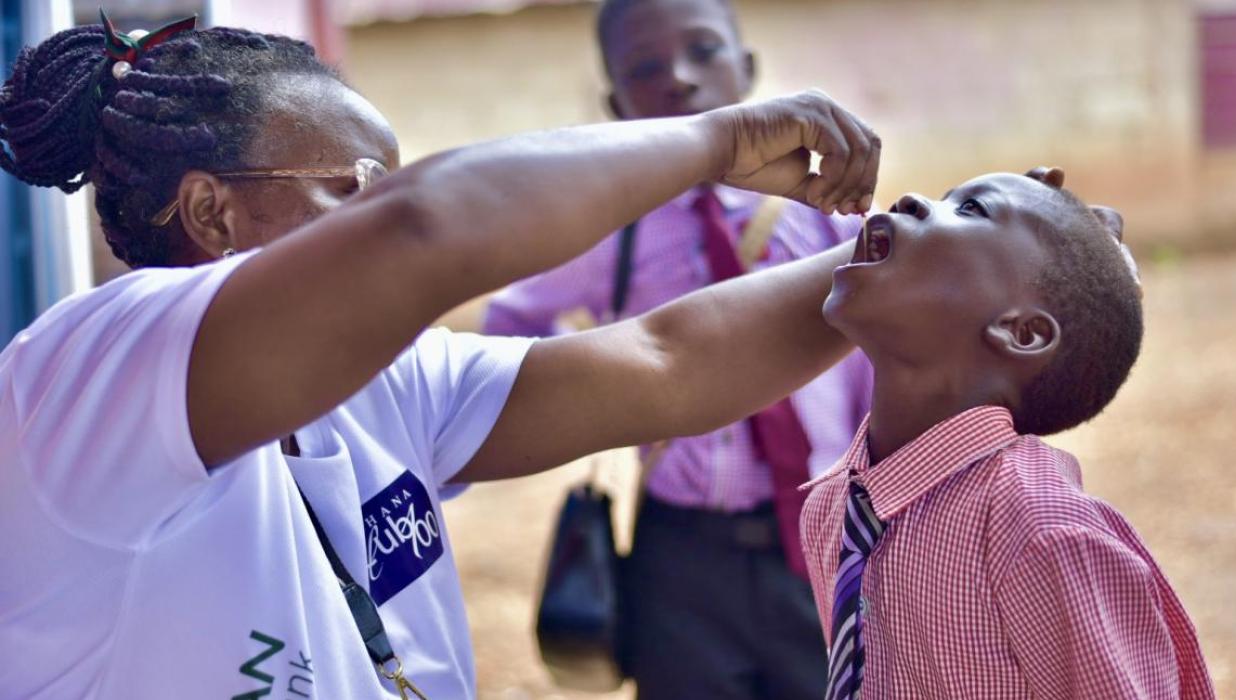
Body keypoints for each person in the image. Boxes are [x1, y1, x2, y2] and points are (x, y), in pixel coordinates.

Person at [0, 17, 882, 700]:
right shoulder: (98, 368)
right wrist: (718, 141)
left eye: (392, 184)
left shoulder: (385, 375)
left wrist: (926, 247)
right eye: (354, 187)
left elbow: (669, 359)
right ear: (210, 214)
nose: (381, 213)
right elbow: (429, 228)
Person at [484, 2, 870, 695]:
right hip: (680, 555)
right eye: (646, 67)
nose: (681, 79)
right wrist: (588, 388)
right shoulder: (610, 230)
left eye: (703, 51)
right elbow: (509, 324)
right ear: (617, 103)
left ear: (748, 69)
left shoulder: (823, 218)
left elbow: (871, 366)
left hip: (820, 532)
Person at [801, 167, 1215, 699]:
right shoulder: (834, 506)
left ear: (1022, 332)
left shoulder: (1042, 531)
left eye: (972, 208)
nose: (911, 199)